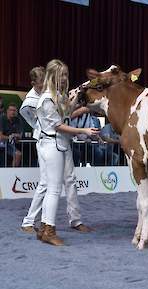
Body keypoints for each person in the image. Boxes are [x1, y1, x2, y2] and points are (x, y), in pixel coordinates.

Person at [20, 66, 93, 235]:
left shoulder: (54, 94)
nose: (45, 85)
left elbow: (65, 113)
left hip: (62, 139)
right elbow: (48, 123)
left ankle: (75, 220)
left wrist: (72, 101)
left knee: (70, 179)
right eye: (41, 83)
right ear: (33, 83)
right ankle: (30, 221)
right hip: (47, 141)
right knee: (47, 183)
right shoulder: (30, 102)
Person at [0, 103, 24, 167]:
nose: (13, 112)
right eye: (11, 110)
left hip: (10, 143)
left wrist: (15, 136)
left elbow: (20, 135)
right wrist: (10, 137)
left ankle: (13, 174)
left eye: (14, 110)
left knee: (18, 154)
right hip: (2, 143)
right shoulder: (2, 119)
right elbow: (0, 136)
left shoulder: (18, 119)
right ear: (7, 111)